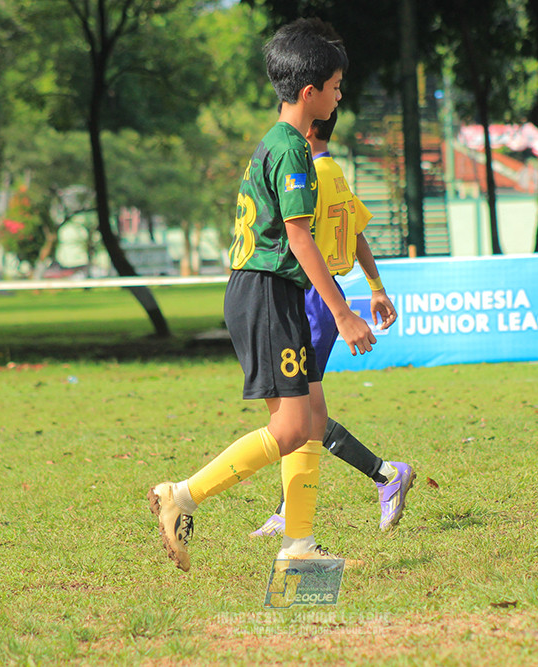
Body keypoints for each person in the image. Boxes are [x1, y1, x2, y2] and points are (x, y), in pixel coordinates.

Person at [148, 18, 376, 572]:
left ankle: (297, 548)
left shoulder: (276, 142)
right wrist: (343, 313)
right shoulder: (295, 151)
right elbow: (299, 237)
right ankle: (182, 495)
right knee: (294, 426)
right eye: (336, 85)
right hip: (267, 291)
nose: (340, 94)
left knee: (311, 418)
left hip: (270, 291)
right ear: (309, 92)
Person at [250, 109, 415, 538]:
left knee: (302, 410)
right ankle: (294, 507)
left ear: (306, 127)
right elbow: (356, 231)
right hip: (325, 295)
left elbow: (298, 237)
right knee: (301, 407)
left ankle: (384, 474)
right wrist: (376, 287)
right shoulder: (334, 170)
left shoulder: (306, 174)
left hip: (312, 295)